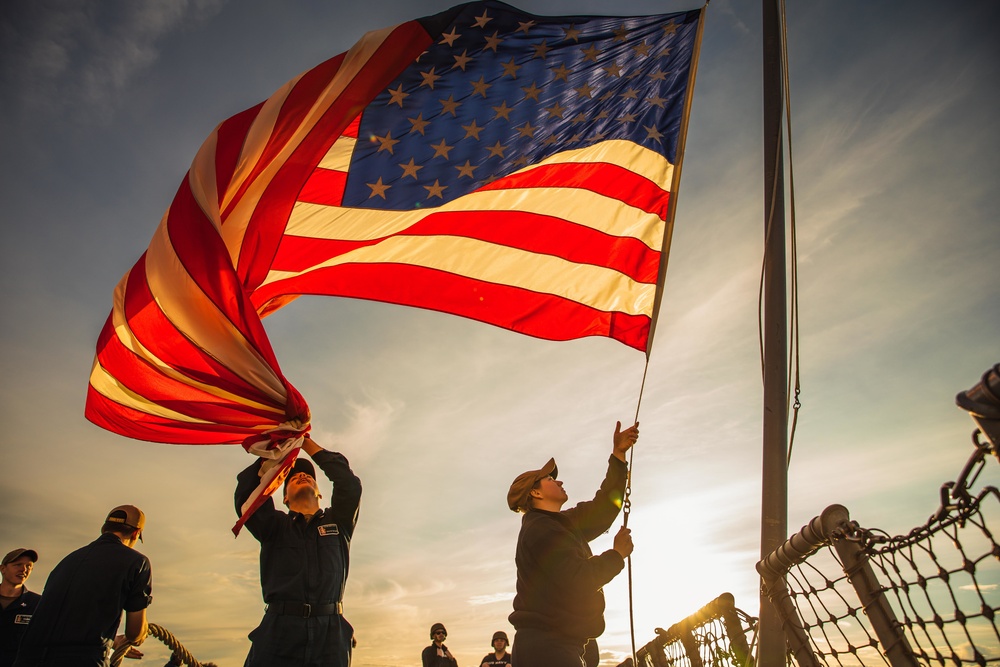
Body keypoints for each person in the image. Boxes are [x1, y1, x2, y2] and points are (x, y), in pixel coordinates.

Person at [506, 421, 639, 667]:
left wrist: (618, 455)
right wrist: (617, 555)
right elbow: (579, 578)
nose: (559, 481)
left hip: (558, 645)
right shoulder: (540, 530)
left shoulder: (560, 523)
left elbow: (603, 507)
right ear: (535, 493)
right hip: (546, 650)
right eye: (549, 479)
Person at [235, 436, 362, 667]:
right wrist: (277, 453)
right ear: (283, 497)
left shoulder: (339, 522)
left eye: (310, 477)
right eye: (293, 477)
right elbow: (246, 495)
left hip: (330, 635)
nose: (303, 476)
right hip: (279, 631)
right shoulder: (273, 526)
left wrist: (306, 444)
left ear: (319, 492)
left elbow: (349, 484)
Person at [12, 506, 152, 667]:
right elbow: (134, 633)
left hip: (27, 660)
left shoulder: (68, 560)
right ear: (136, 533)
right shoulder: (137, 562)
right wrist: (141, 634)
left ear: (104, 529)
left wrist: (113, 641)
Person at [0, 549, 41, 667]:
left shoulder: (38, 604)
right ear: (3, 569)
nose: (24, 570)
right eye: (18, 565)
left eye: (28, 566)